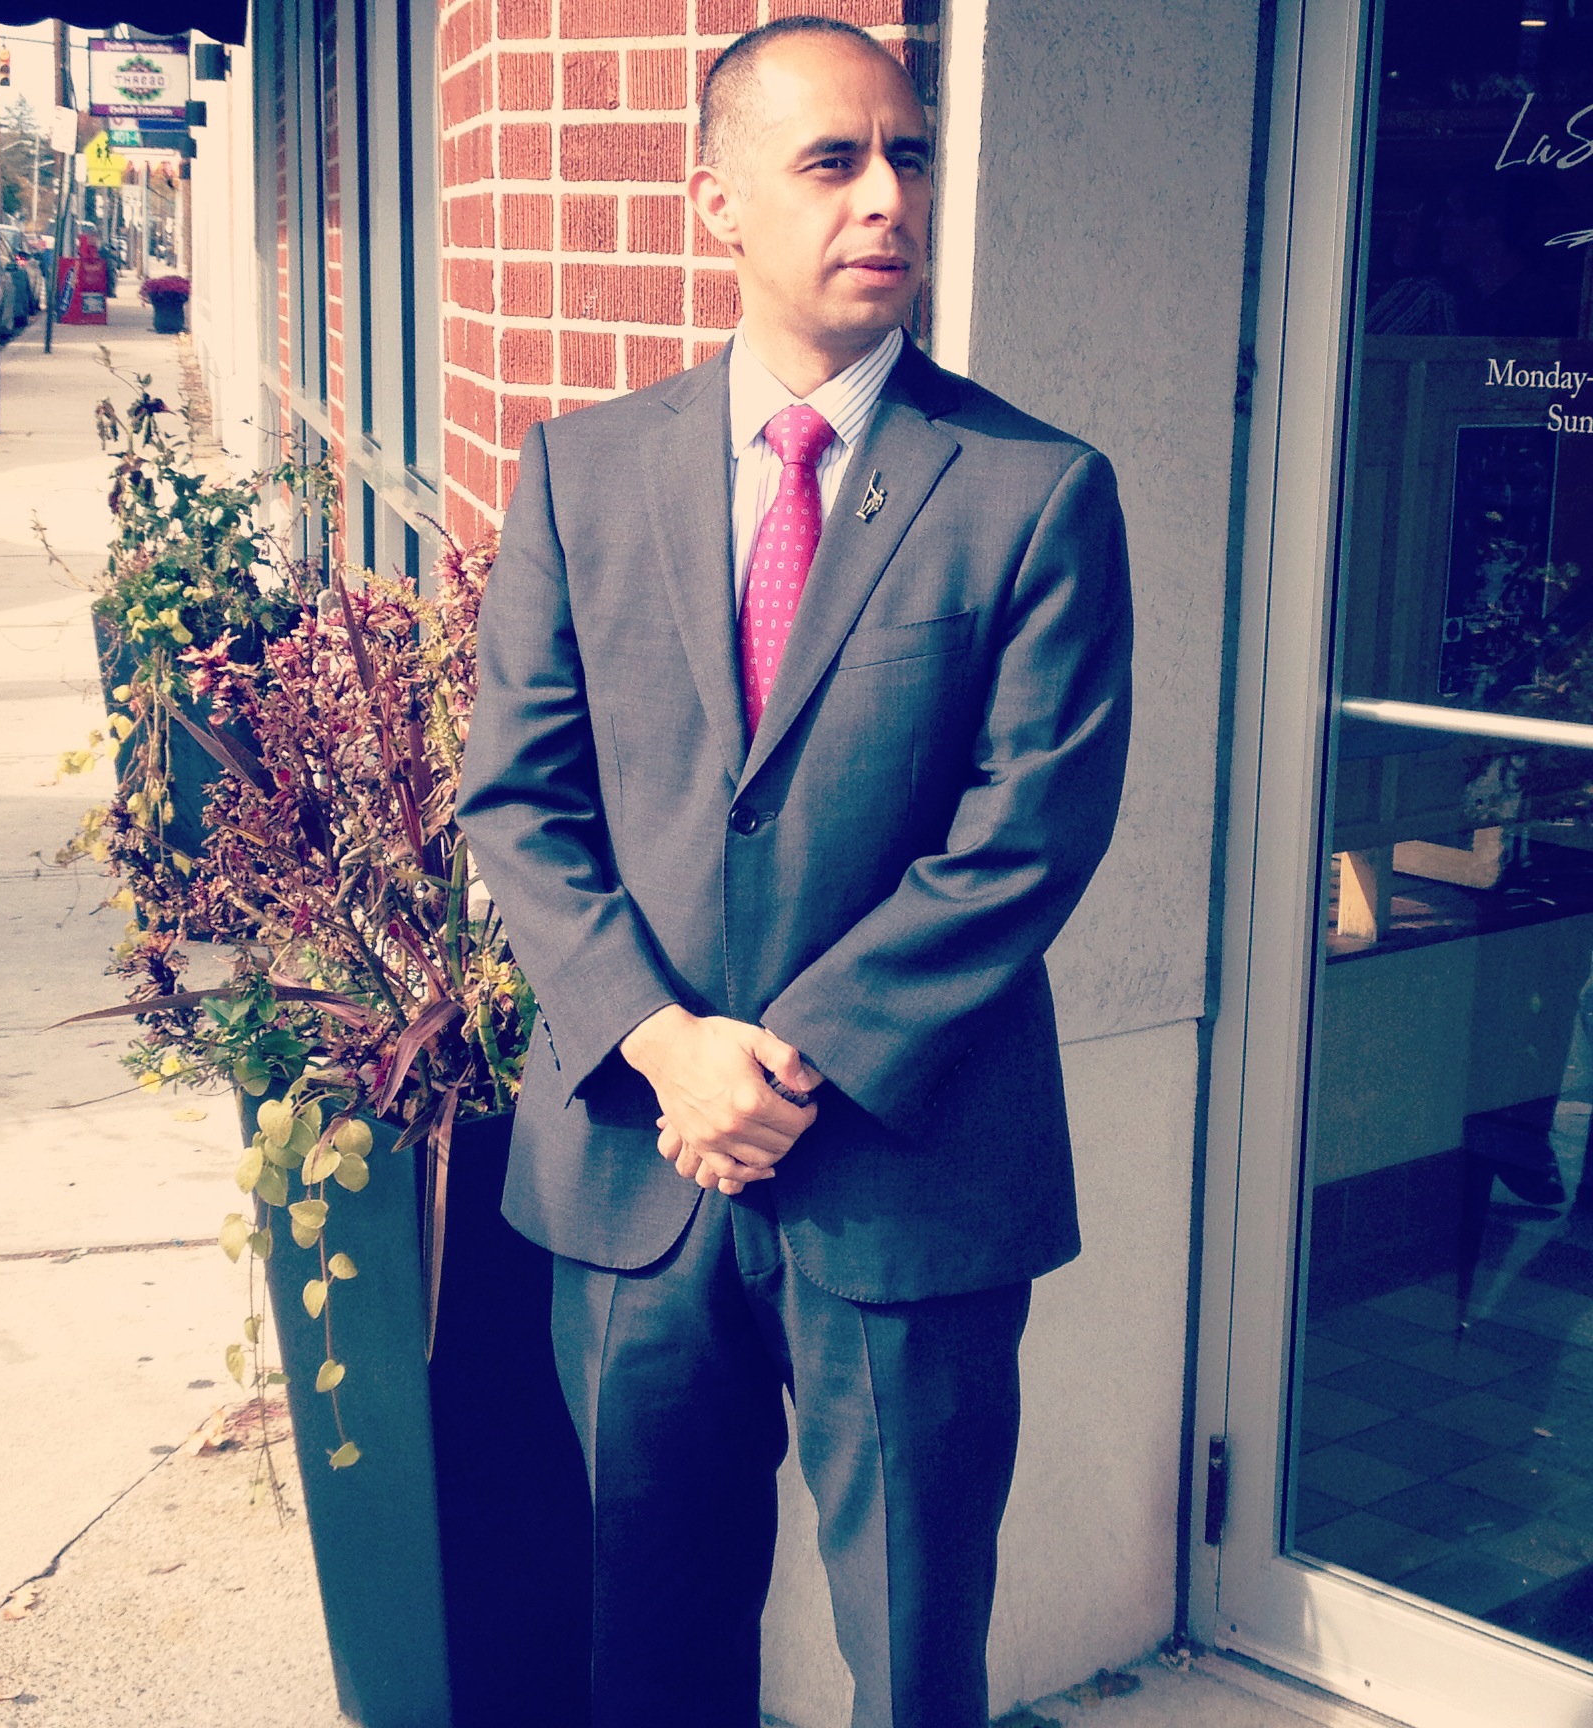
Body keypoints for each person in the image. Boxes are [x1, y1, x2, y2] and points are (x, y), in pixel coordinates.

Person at [457, 17, 1133, 1728]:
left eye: (908, 155)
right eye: (833, 160)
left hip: (908, 1182)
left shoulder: (1036, 492)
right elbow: (519, 802)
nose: (885, 195)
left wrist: (787, 1062)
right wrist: (666, 1044)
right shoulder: (578, 474)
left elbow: (1028, 837)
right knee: (648, 1651)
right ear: (716, 203)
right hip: (636, 1172)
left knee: (914, 1663)